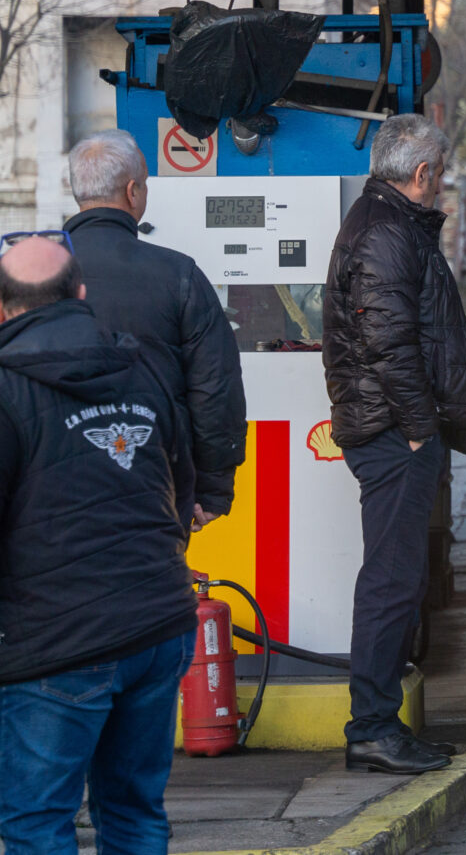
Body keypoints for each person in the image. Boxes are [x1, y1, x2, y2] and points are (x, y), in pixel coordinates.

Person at [0, 233, 196, 855]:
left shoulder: (6, 391)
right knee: (135, 810)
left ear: (1, 308)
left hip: (54, 645)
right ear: (81, 294)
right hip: (157, 626)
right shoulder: (143, 369)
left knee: (37, 822)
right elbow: (182, 485)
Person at [324, 115, 466, 775]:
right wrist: (421, 428)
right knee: (393, 581)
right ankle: (371, 727)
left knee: (398, 577)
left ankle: (379, 723)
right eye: (441, 174)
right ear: (423, 174)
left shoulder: (386, 223)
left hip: (396, 430)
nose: (442, 184)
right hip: (395, 435)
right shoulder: (388, 233)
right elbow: (389, 345)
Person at [64, 129, 246, 532]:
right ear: (133, 192)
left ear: (79, 192)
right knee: (151, 590)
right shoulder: (178, 274)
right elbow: (214, 386)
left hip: (46, 485)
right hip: (156, 482)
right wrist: (212, 487)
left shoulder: (26, 272)